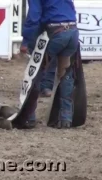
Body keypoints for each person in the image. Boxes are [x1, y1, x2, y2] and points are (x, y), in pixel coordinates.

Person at [20, 0, 79, 129]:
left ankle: (29, 117)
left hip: (55, 32)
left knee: (36, 72)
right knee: (65, 73)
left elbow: (34, 15)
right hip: (72, 31)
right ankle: (66, 117)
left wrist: (26, 40)